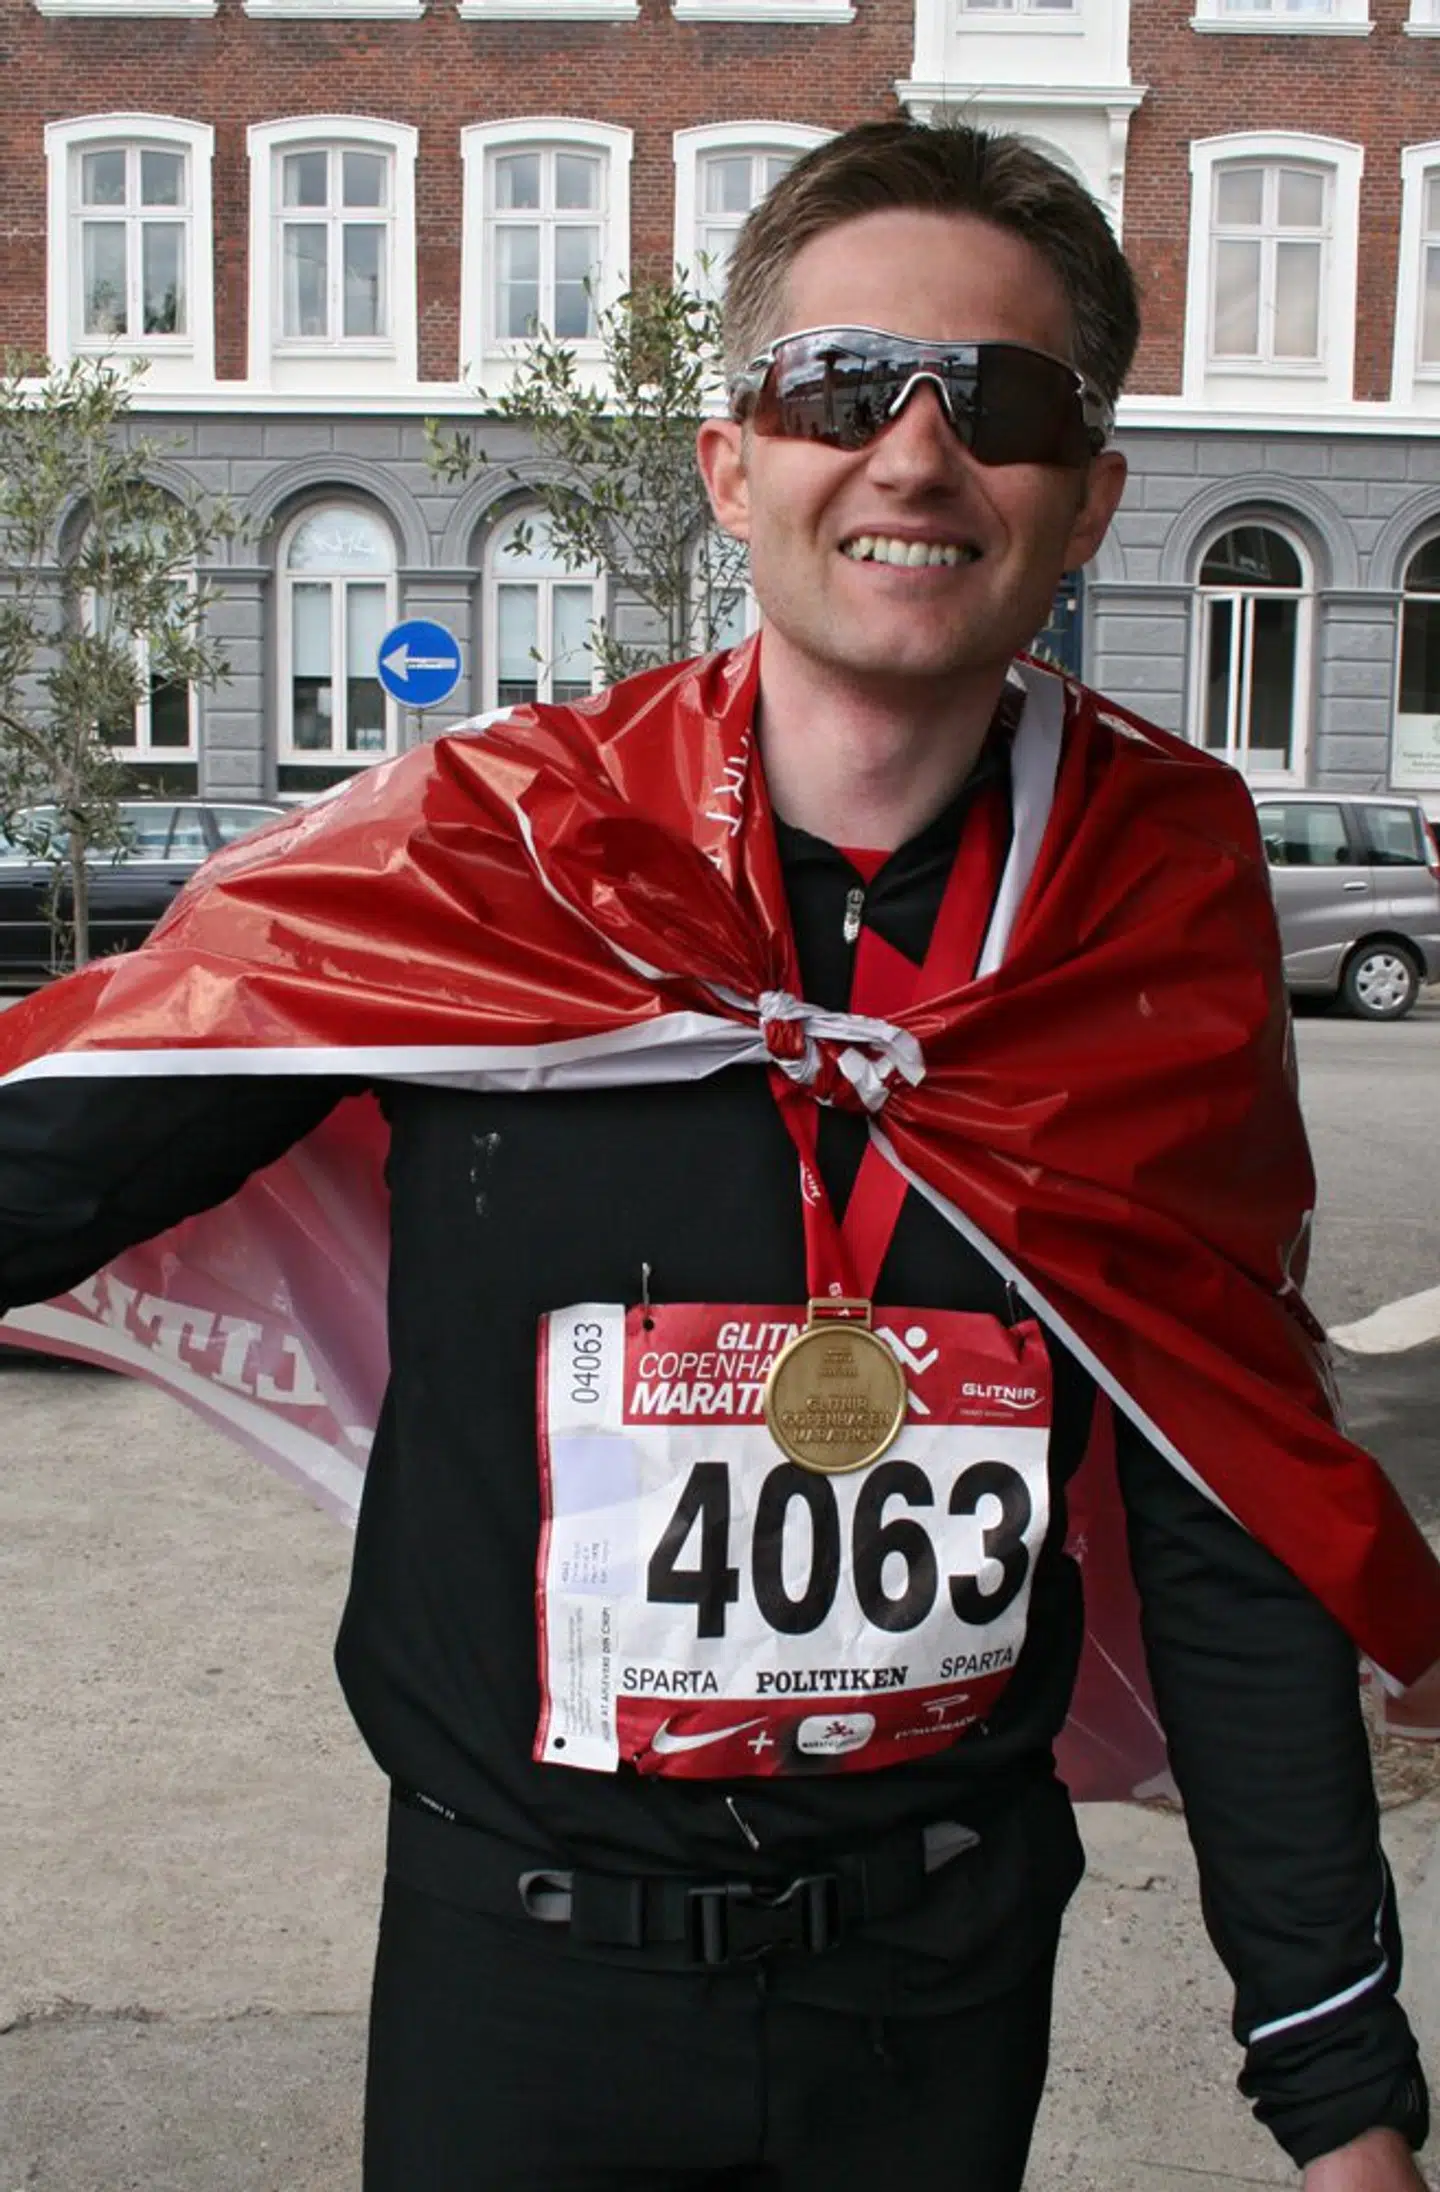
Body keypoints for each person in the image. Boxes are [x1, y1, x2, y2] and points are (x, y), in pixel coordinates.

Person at [0, 120, 1437, 2192]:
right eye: (843, 387)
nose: (915, 455)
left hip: (939, 1989)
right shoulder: (495, 855)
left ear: (1091, 495)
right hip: (520, 1989)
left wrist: (1341, 2092)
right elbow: (69, 1145)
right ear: (730, 464)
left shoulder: (1157, 902)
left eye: (999, 400)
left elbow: (1223, 1481)